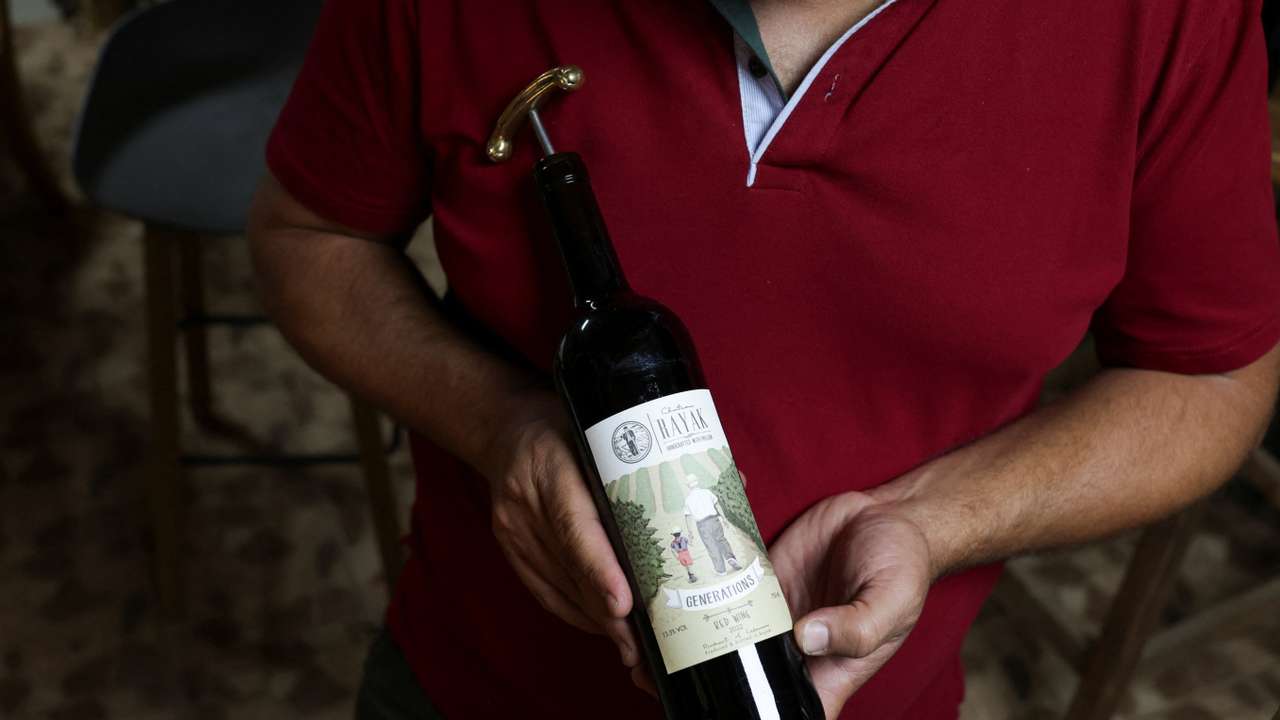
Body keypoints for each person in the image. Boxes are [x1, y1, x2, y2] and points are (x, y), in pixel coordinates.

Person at [247, 0, 1280, 718]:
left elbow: (1210, 374)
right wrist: (500, 426)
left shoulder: (1166, 17)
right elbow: (308, 239)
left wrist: (932, 520)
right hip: (474, 687)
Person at [682, 476, 742, 576]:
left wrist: (690, 532)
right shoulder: (707, 492)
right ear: (697, 482)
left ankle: (721, 570)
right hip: (714, 520)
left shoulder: (688, 500)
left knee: (711, 546)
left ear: (688, 486)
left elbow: (687, 516)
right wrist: (723, 518)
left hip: (702, 525)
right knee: (721, 539)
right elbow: (717, 505)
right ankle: (730, 557)